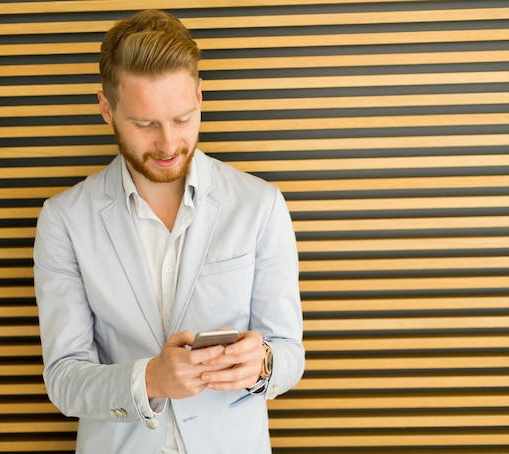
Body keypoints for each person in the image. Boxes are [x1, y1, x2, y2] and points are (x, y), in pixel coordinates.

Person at [33, 9, 305, 454]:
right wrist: (151, 380)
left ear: (200, 97)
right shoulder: (64, 220)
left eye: (181, 118)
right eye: (145, 124)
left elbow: (290, 354)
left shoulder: (260, 204)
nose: (167, 144)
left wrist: (263, 365)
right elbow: (64, 380)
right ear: (106, 108)